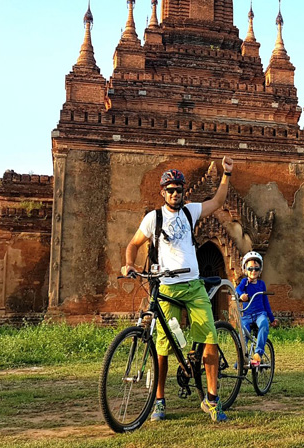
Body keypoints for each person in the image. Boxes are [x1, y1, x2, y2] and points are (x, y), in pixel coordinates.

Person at [120, 157, 234, 423]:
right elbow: (133, 245)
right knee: (162, 347)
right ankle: (159, 400)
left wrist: (226, 174)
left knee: (210, 340)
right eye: (170, 190)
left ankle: (212, 400)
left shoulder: (189, 211)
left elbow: (216, 203)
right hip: (166, 288)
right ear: (163, 192)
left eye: (178, 190)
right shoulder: (153, 218)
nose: (175, 193)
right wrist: (128, 264)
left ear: (183, 192)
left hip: (193, 285)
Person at [235, 251, 277, 367]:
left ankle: (258, 353)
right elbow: (237, 290)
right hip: (247, 315)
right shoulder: (245, 282)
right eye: (250, 269)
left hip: (260, 314)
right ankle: (241, 358)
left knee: (264, 324)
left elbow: (266, 302)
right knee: (242, 333)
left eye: (256, 269)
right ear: (245, 270)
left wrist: (272, 318)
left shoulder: (261, 284)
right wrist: (242, 295)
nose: (253, 271)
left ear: (260, 270)